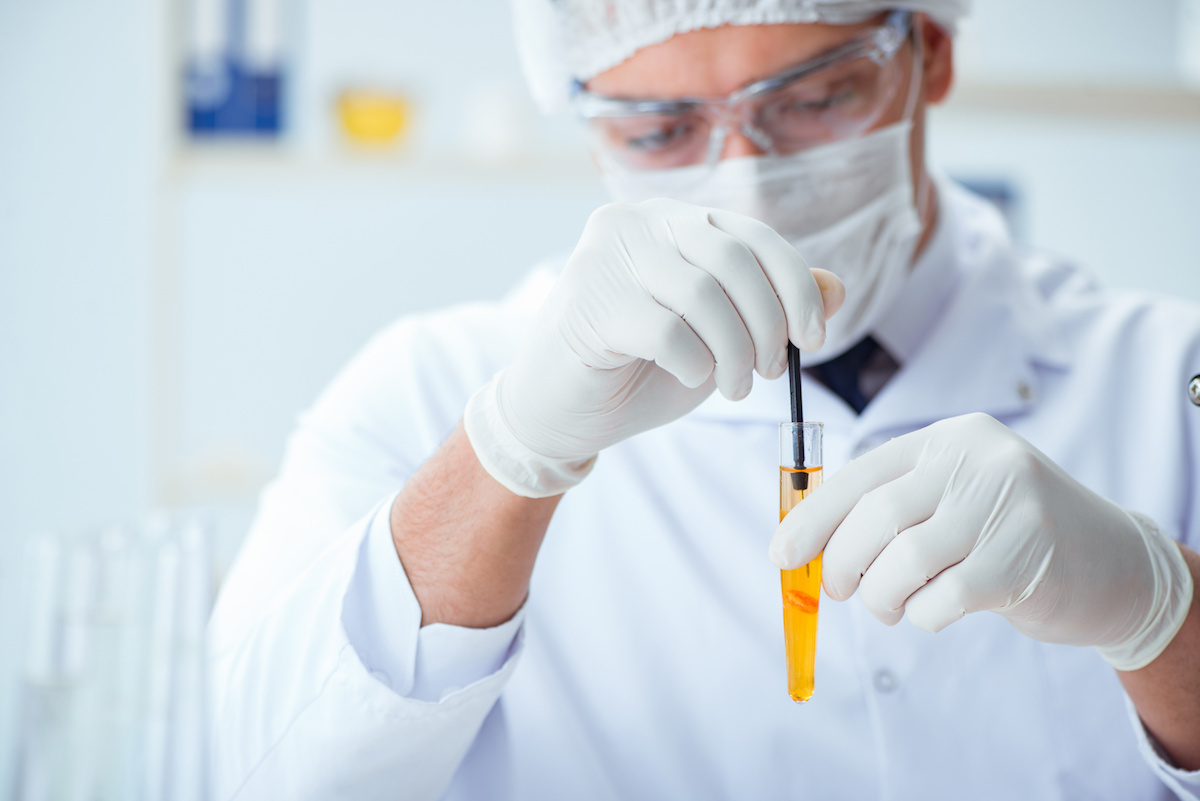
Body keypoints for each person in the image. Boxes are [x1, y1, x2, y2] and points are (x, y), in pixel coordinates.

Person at [207, 1, 1200, 798]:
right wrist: (510, 451)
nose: (747, 181)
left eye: (815, 98)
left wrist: (1160, 606)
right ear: (594, 126)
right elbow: (258, 773)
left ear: (928, 55)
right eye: (660, 129)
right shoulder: (426, 387)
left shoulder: (1168, 377)